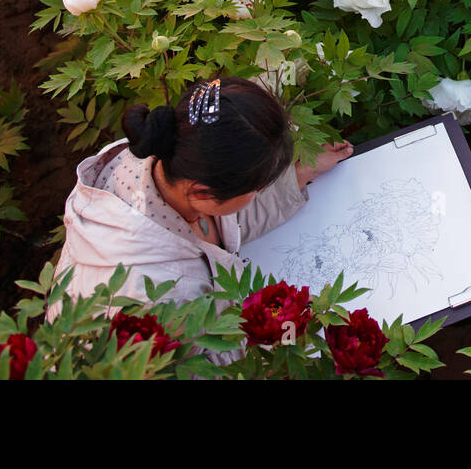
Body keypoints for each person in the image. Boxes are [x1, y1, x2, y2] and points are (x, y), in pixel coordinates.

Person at [49, 76, 353, 356]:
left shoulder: (168, 157)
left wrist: (298, 176)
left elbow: (230, 220)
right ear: (203, 193)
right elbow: (215, 363)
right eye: (258, 188)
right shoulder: (160, 300)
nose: (260, 193)